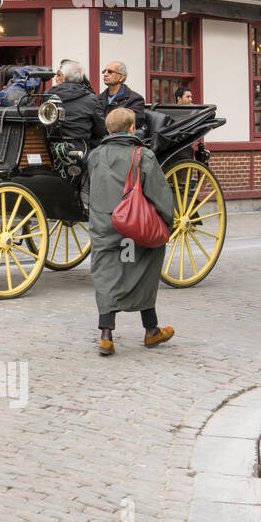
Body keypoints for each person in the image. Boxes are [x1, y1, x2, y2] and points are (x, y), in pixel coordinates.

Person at [87, 108, 176, 356]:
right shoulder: (143, 156)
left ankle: (106, 335)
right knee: (145, 266)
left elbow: (91, 192)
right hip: (135, 226)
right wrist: (166, 223)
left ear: (108, 129)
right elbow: (161, 196)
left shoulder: (95, 156)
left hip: (105, 226)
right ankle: (150, 330)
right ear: (131, 128)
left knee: (106, 274)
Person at [48, 60, 106, 150]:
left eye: (58, 74)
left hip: (52, 148)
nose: (56, 77)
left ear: (63, 77)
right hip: (81, 148)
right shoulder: (91, 99)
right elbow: (101, 129)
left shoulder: (48, 96)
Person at [97, 61, 145, 129]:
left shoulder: (135, 99)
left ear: (121, 77)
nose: (105, 74)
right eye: (104, 71)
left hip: (121, 137)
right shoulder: (98, 99)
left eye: (110, 72)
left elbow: (135, 122)